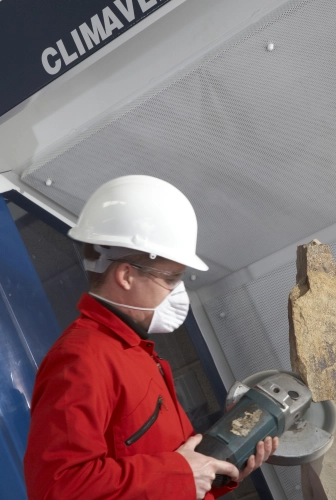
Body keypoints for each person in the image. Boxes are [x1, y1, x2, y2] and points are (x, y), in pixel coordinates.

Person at [24, 175, 278, 500]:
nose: (177, 291)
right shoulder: (83, 358)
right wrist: (182, 474)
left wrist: (220, 470)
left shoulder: (136, 354)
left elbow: (166, 470)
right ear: (126, 276)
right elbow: (59, 487)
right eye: (170, 279)